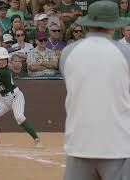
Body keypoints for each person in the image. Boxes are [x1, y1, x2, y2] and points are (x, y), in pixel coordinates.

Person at [59, 1, 130, 180]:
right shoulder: (125, 53)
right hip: (117, 146)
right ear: (114, 26)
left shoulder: (68, 52)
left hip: (79, 144)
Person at [0, 47, 42, 148]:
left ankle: (37, 140)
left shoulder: (3, 72)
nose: (4, 61)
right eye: (1, 59)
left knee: (19, 117)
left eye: (5, 59)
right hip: (4, 99)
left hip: (15, 97)